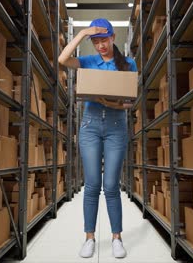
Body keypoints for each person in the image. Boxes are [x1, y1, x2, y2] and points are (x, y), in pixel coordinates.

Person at [58, 18, 138, 258]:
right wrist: (83, 33)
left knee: (111, 186)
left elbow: (129, 103)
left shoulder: (128, 64)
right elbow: (62, 60)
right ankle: (89, 238)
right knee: (92, 185)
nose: (100, 45)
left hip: (116, 127)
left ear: (113, 38)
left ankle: (116, 238)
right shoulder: (87, 61)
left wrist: (108, 101)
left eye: (104, 40)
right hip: (90, 127)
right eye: (96, 41)